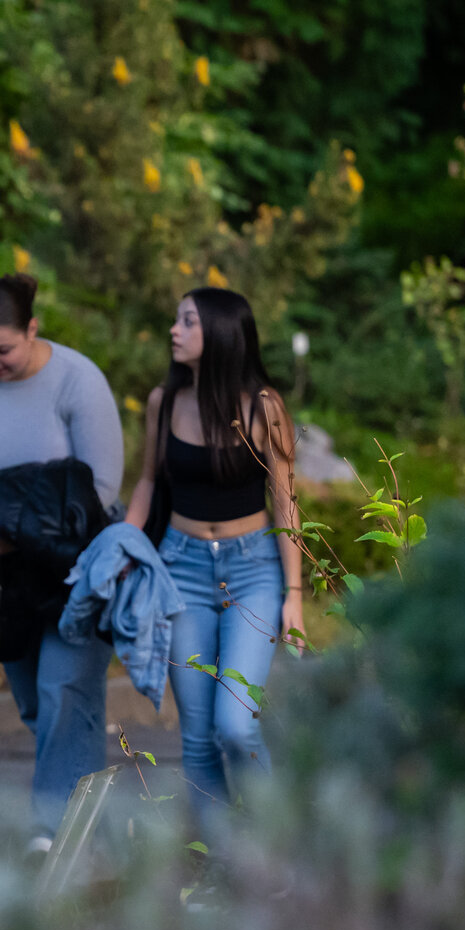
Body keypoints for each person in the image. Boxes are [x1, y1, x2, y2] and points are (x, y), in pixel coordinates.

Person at [0, 275, 122, 859]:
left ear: (33, 330)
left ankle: (54, 834)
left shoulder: (78, 380)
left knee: (65, 689)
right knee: (37, 705)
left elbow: (101, 488)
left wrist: (7, 524)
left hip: (74, 571)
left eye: (3, 349)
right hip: (2, 576)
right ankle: (97, 823)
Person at [125, 288, 302, 833]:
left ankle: (273, 843)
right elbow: (149, 482)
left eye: (188, 321)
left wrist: (294, 597)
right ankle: (222, 859)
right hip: (180, 567)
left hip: (253, 571)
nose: (174, 331)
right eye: (176, 320)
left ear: (222, 333)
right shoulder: (164, 401)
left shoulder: (264, 407)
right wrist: (124, 548)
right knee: (197, 736)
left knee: (236, 725)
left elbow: (286, 501)